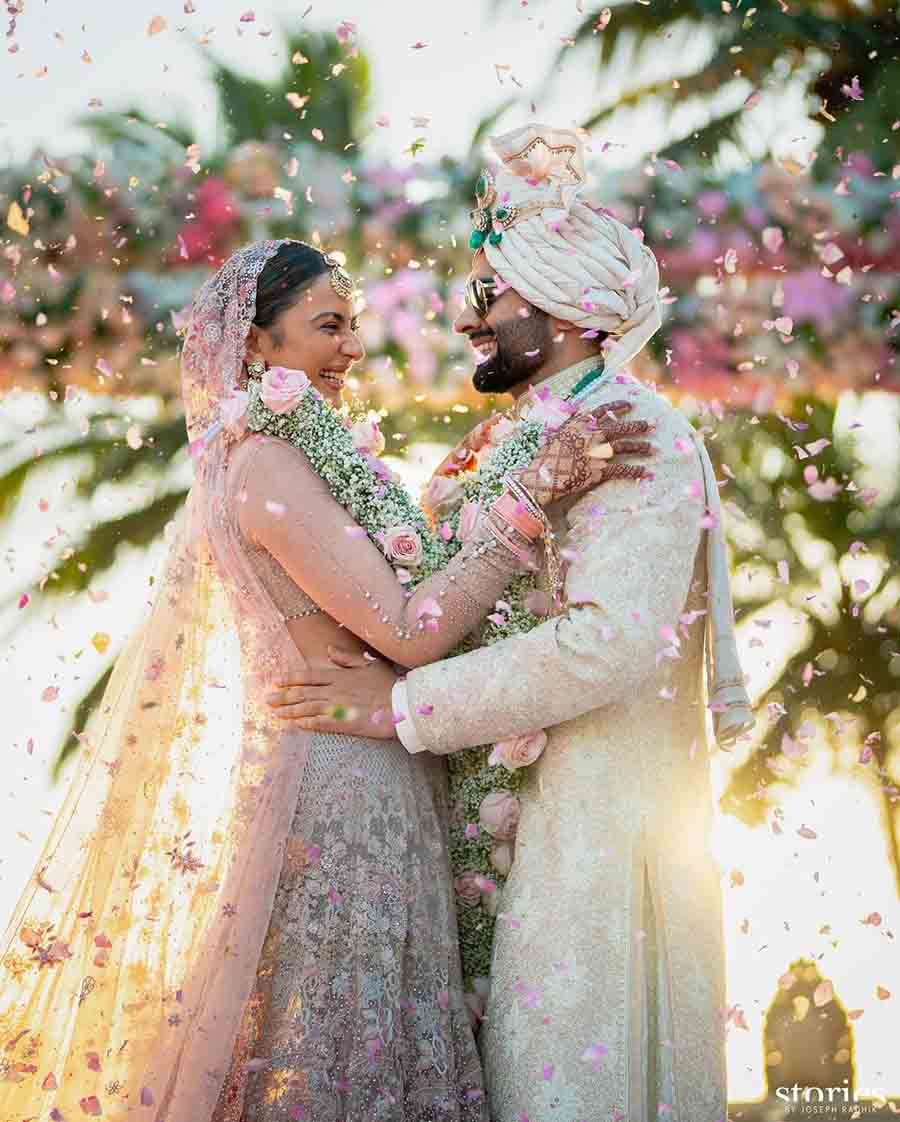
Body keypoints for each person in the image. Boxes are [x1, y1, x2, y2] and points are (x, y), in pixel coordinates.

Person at [0, 238, 653, 1122]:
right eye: (328, 327)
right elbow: (410, 633)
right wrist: (525, 501)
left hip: (368, 766)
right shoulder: (265, 467)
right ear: (259, 347)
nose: (352, 348)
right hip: (343, 785)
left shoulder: (290, 455)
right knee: (337, 1050)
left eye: (354, 326)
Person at [267, 125, 755, 1122]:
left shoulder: (634, 435)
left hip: (592, 857)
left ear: (572, 309)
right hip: (506, 853)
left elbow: (610, 639)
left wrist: (401, 706)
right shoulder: (515, 442)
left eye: (491, 296)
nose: (468, 320)